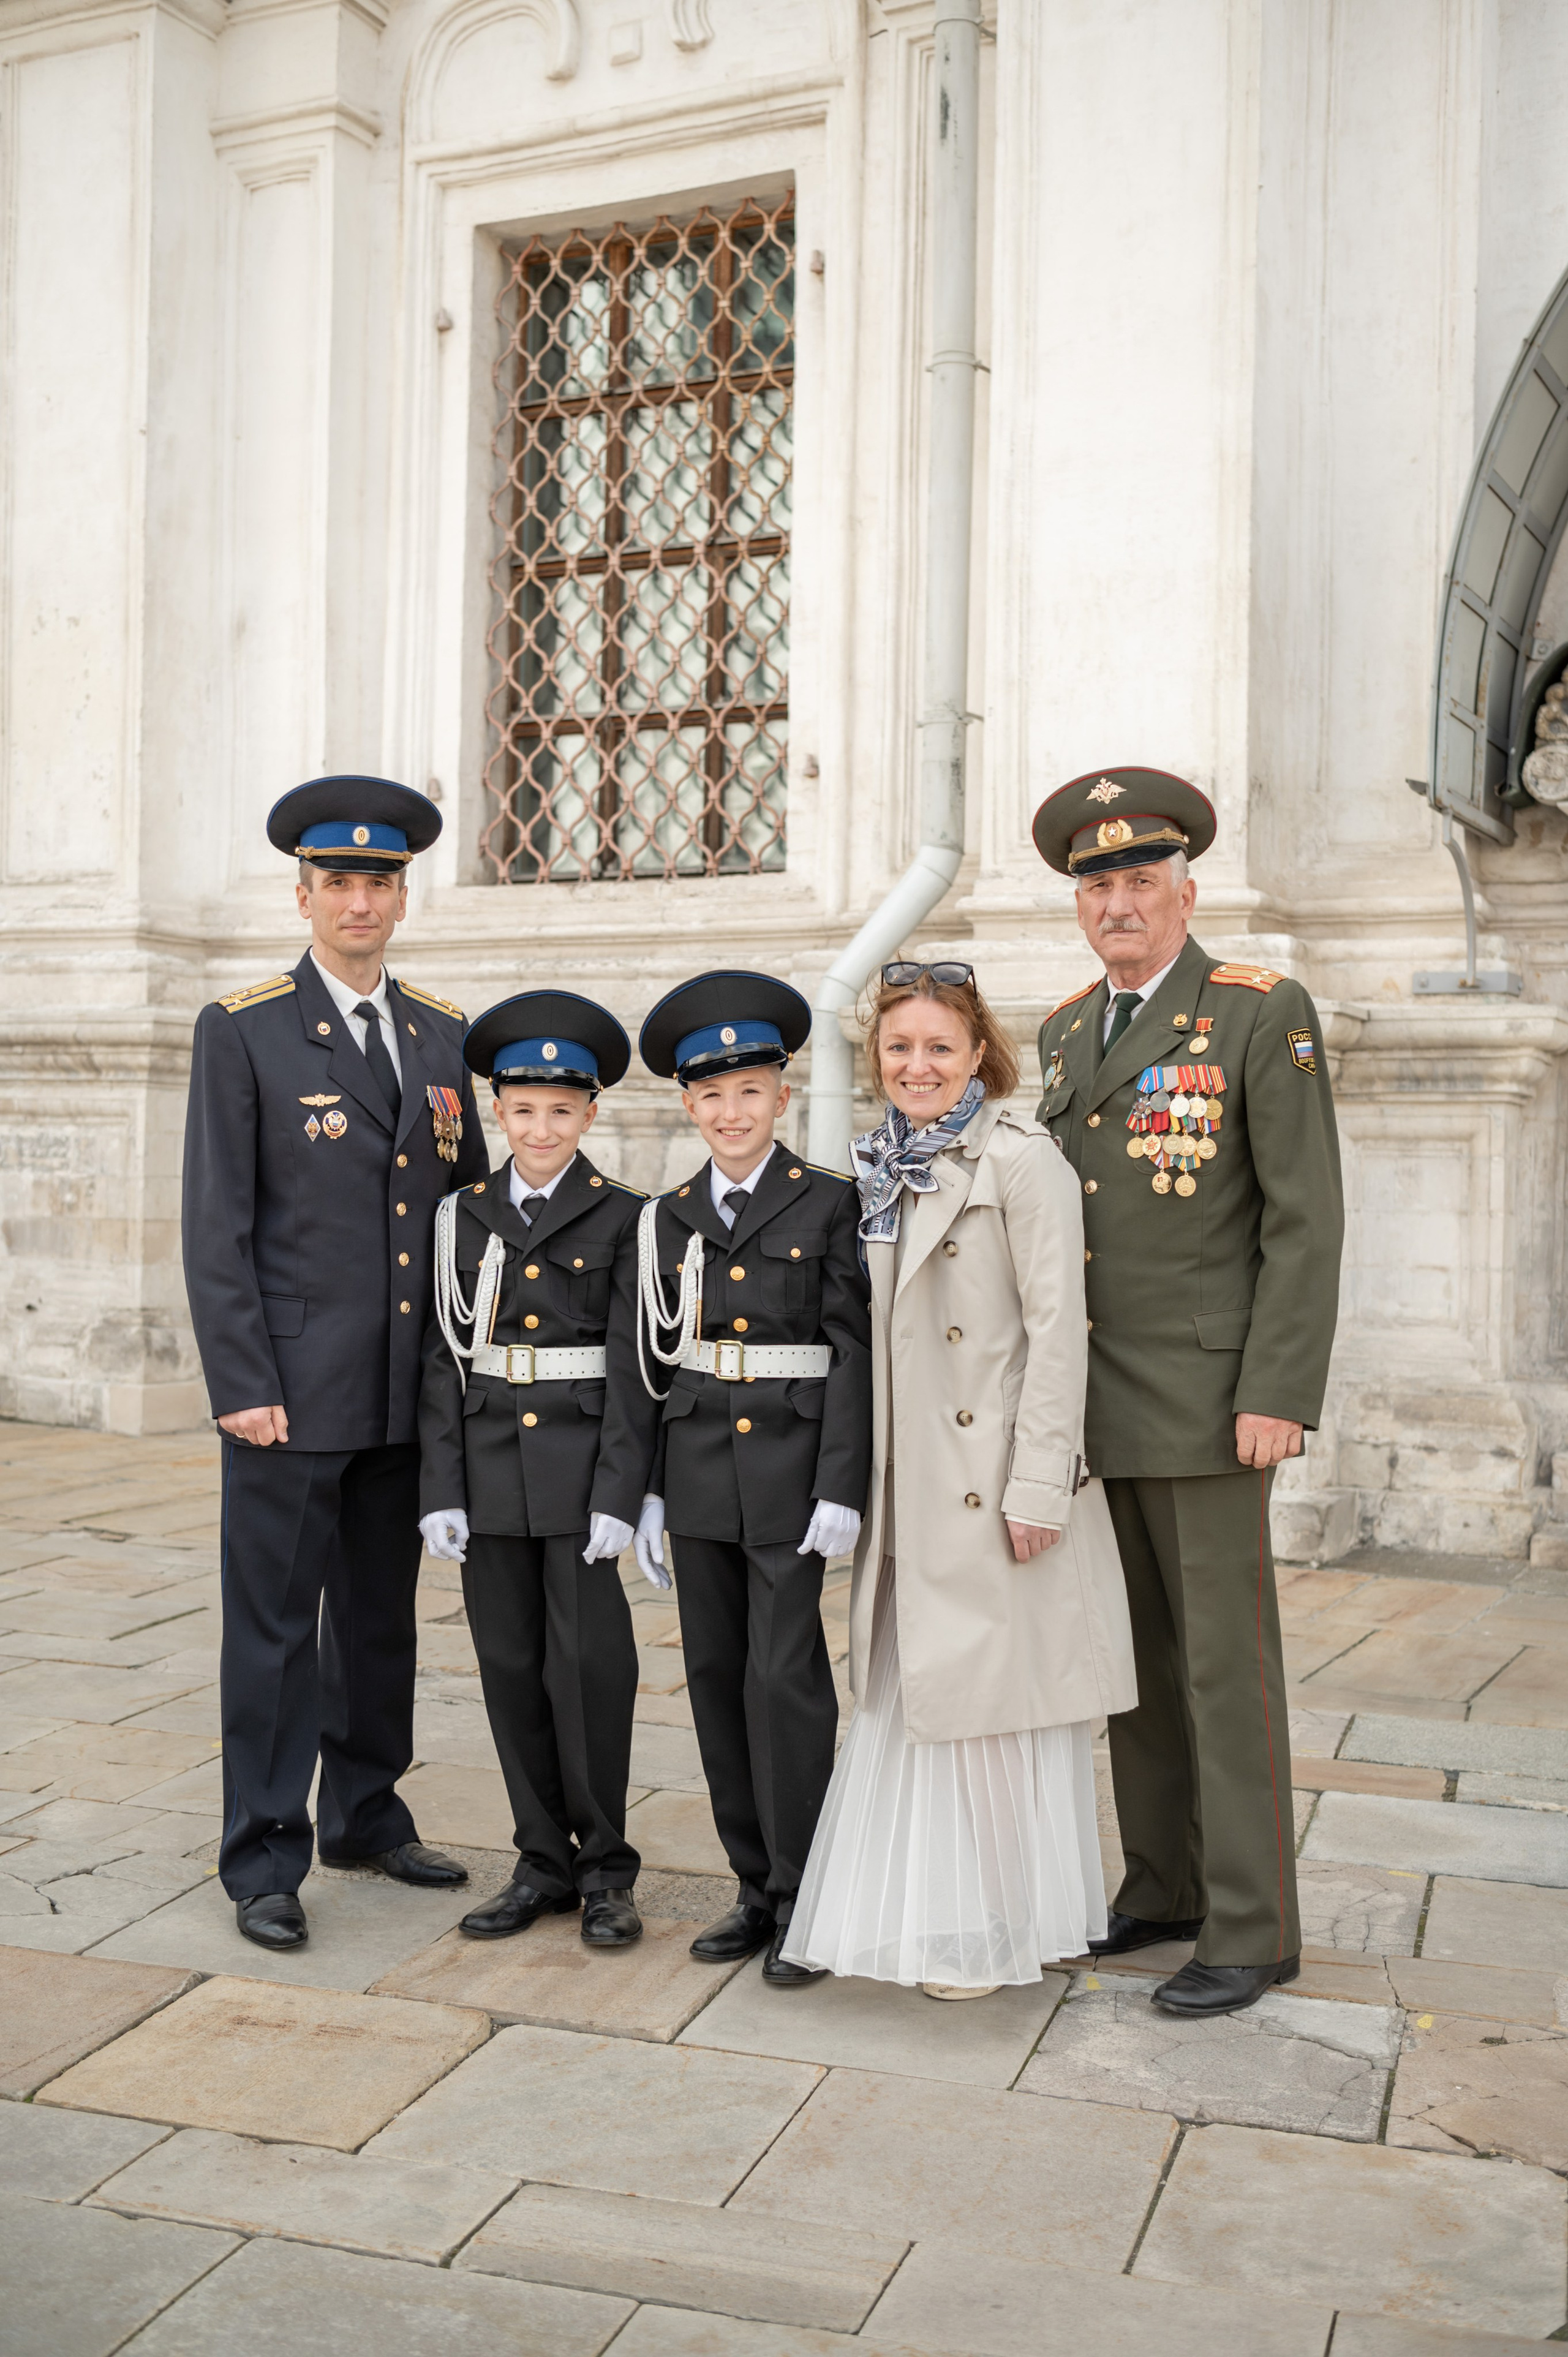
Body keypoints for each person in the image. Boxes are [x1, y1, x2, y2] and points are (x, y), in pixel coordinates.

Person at [1031, 766, 1343, 2015]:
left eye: (1137, 880)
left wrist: (1278, 1389)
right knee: (1136, 1663)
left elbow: (1303, 1219)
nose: (1117, 902)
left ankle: (1251, 1924)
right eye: (1096, 884)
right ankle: (1158, 1882)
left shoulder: (1256, 1011)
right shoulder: (1063, 1032)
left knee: (1222, 1665)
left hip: (1215, 1405)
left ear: (1183, 890)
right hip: (1097, 1404)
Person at [782, 964, 1136, 1996]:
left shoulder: (1026, 1164)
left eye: (941, 1047)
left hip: (990, 1486)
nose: (919, 1066)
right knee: (931, 1712)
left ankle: (1001, 1927)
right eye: (900, 1049)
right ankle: (976, 1911)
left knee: (993, 1721)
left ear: (980, 1052)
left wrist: (1038, 1489)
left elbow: (1059, 1337)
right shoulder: (880, 1166)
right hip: (911, 1491)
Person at [182, 775, 487, 1950]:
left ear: (404, 896)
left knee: (376, 1620)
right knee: (272, 1630)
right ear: (303, 893)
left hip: (407, 1387)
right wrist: (241, 1382)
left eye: (381, 880)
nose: (361, 899)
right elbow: (219, 1225)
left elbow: (458, 1212)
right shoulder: (246, 1026)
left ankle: (364, 1811)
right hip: (289, 1394)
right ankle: (264, 1853)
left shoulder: (443, 1034)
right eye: (339, 881)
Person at [634, 971, 873, 1986]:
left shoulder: (828, 1204)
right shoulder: (667, 1215)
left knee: (787, 1683)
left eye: (751, 1092)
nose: (731, 1114)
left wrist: (843, 1485)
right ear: (689, 1107)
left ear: (783, 1094)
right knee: (717, 1680)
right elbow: (647, 1361)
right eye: (711, 1097)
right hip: (696, 1475)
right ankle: (751, 1888)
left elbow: (857, 1353)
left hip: (790, 1475)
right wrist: (644, 1490)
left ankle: (806, 1890)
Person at [417, 991, 659, 1947]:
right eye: (523, 1110)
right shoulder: (458, 1216)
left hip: (580, 1476)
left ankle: (606, 1869)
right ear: (496, 1114)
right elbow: (441, 1357)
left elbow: (640, 1368)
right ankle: (540, 1863)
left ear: (591, 1114)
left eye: (563, 1110)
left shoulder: (626, 1218)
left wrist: (624, 1495)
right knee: (509, 1666)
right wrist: (441, 1487)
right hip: (487, 1472)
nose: (542, 1128)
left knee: (590, 1669)